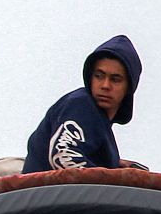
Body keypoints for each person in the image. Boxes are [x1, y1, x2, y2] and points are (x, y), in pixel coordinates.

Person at [22, 35, 144, 173]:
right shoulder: (81, 105)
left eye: (115, 79)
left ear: (129, 87)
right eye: (99, 76)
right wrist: (114, 178)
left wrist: (115, 166)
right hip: (48, 194)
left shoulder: (100, 125)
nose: (105, 85)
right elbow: (63, 157)